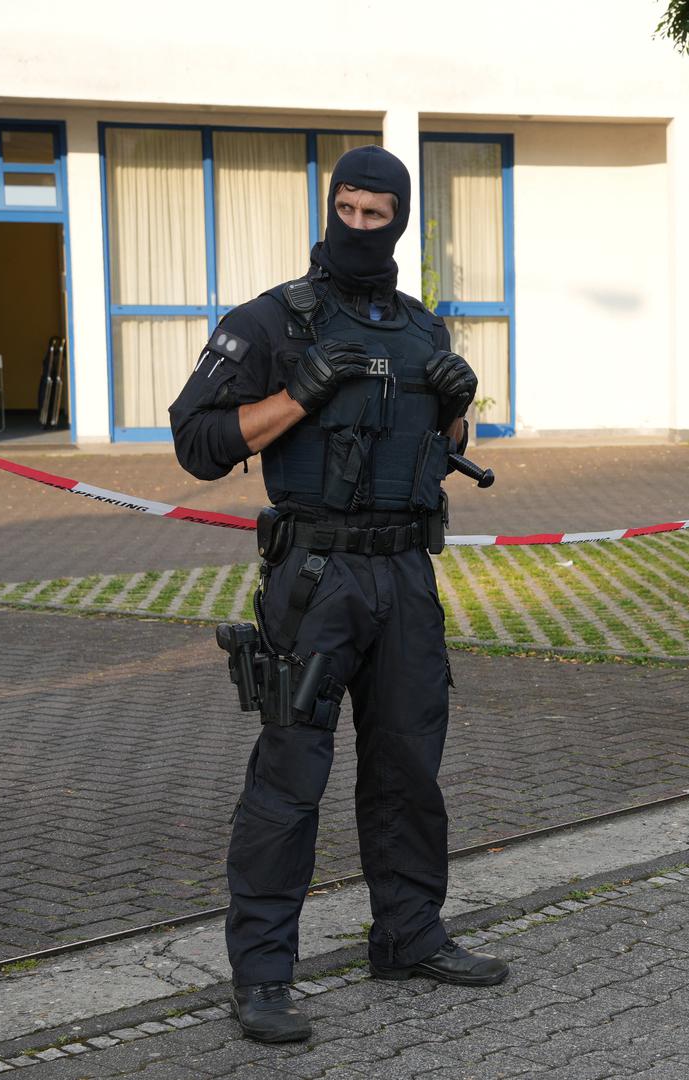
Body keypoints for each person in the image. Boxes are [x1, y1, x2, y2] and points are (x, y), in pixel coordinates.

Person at [169, 146, 504, 1044]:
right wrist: (296, 394)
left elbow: (440, 445)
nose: (361, 229)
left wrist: (456, 408)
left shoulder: (422, 329)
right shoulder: (270, 322)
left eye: (377, 215)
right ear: (329, 210)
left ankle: (408, 935)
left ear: (399, 218)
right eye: (348, 212)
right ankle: (263, 977)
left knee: (407, 772)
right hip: (313, 582)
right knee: (290, 780)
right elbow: (195, 441)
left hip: (406, 575)